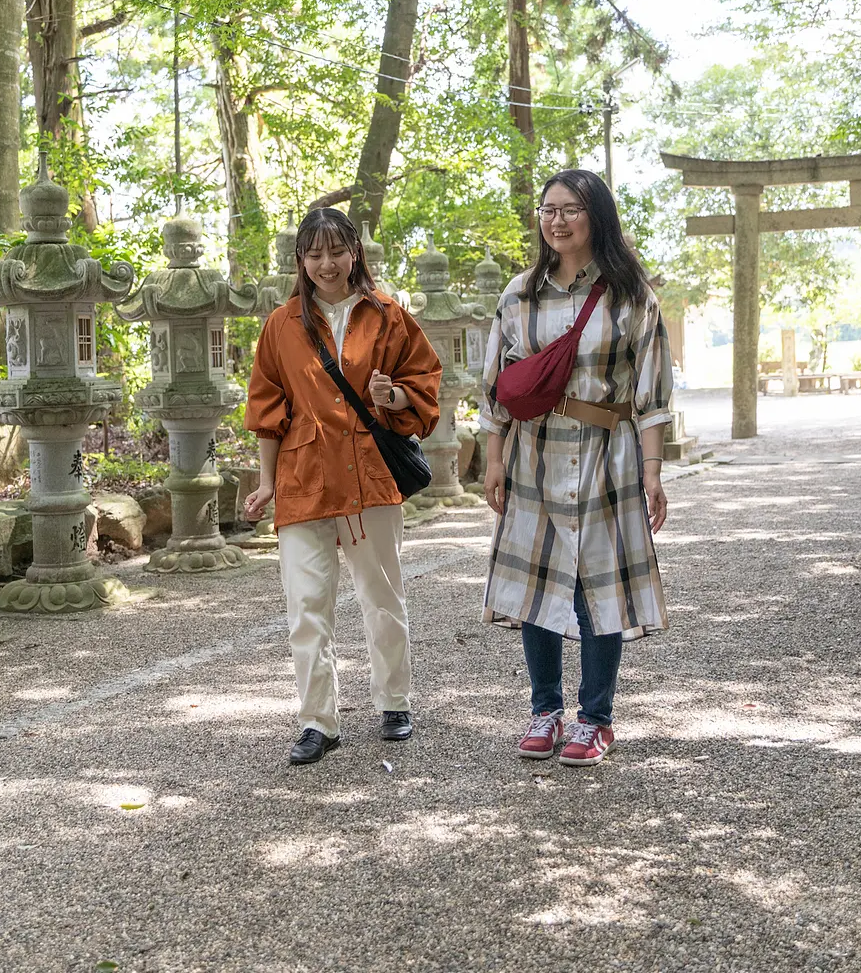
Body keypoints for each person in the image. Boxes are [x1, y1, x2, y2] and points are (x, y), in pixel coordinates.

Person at [479, 169, 673, 767]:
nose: (556, 221)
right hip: (536, 450)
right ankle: (545, 711)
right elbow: (495, 383)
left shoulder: (630, 294)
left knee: (597, 584)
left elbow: (653, 390)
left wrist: (652, 469)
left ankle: (595, 719)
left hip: (606, 452)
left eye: (571, 210)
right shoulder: (520, 293)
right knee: (538, 583)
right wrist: (493, 459)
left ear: (597, 218)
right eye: (548, 210)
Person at [244, 208, 443, 765]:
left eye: (336, 251)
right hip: (303, 478)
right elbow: (267, 410)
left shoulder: (389, 317)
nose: (326, 264)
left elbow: (424, 384)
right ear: (301, 261)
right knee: (306, 604)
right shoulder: (281, 324)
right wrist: (265, 484)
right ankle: (316, 720)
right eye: (314, 254)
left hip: (369, 474)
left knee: (381, 595)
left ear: (355, 252)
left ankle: (395, 701)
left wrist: (393, 397)